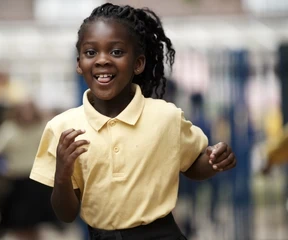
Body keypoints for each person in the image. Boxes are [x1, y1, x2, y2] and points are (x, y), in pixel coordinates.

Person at [30, 3, 237, 240]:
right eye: (90, 52)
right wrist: (62, 175)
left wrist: (213, 161)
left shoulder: (166, 117)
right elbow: (66, 214)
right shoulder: (62, 128)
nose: (102, 60)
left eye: (116, 52)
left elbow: (191, 166)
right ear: (79, 63)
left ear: (138, 63)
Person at [0, 100, 62, 240]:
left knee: (34, 224)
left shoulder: (42, 126)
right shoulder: (9, 128)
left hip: (37, 182)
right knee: (19, 224)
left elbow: (56, 144)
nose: (27, 114)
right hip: (17, 183)